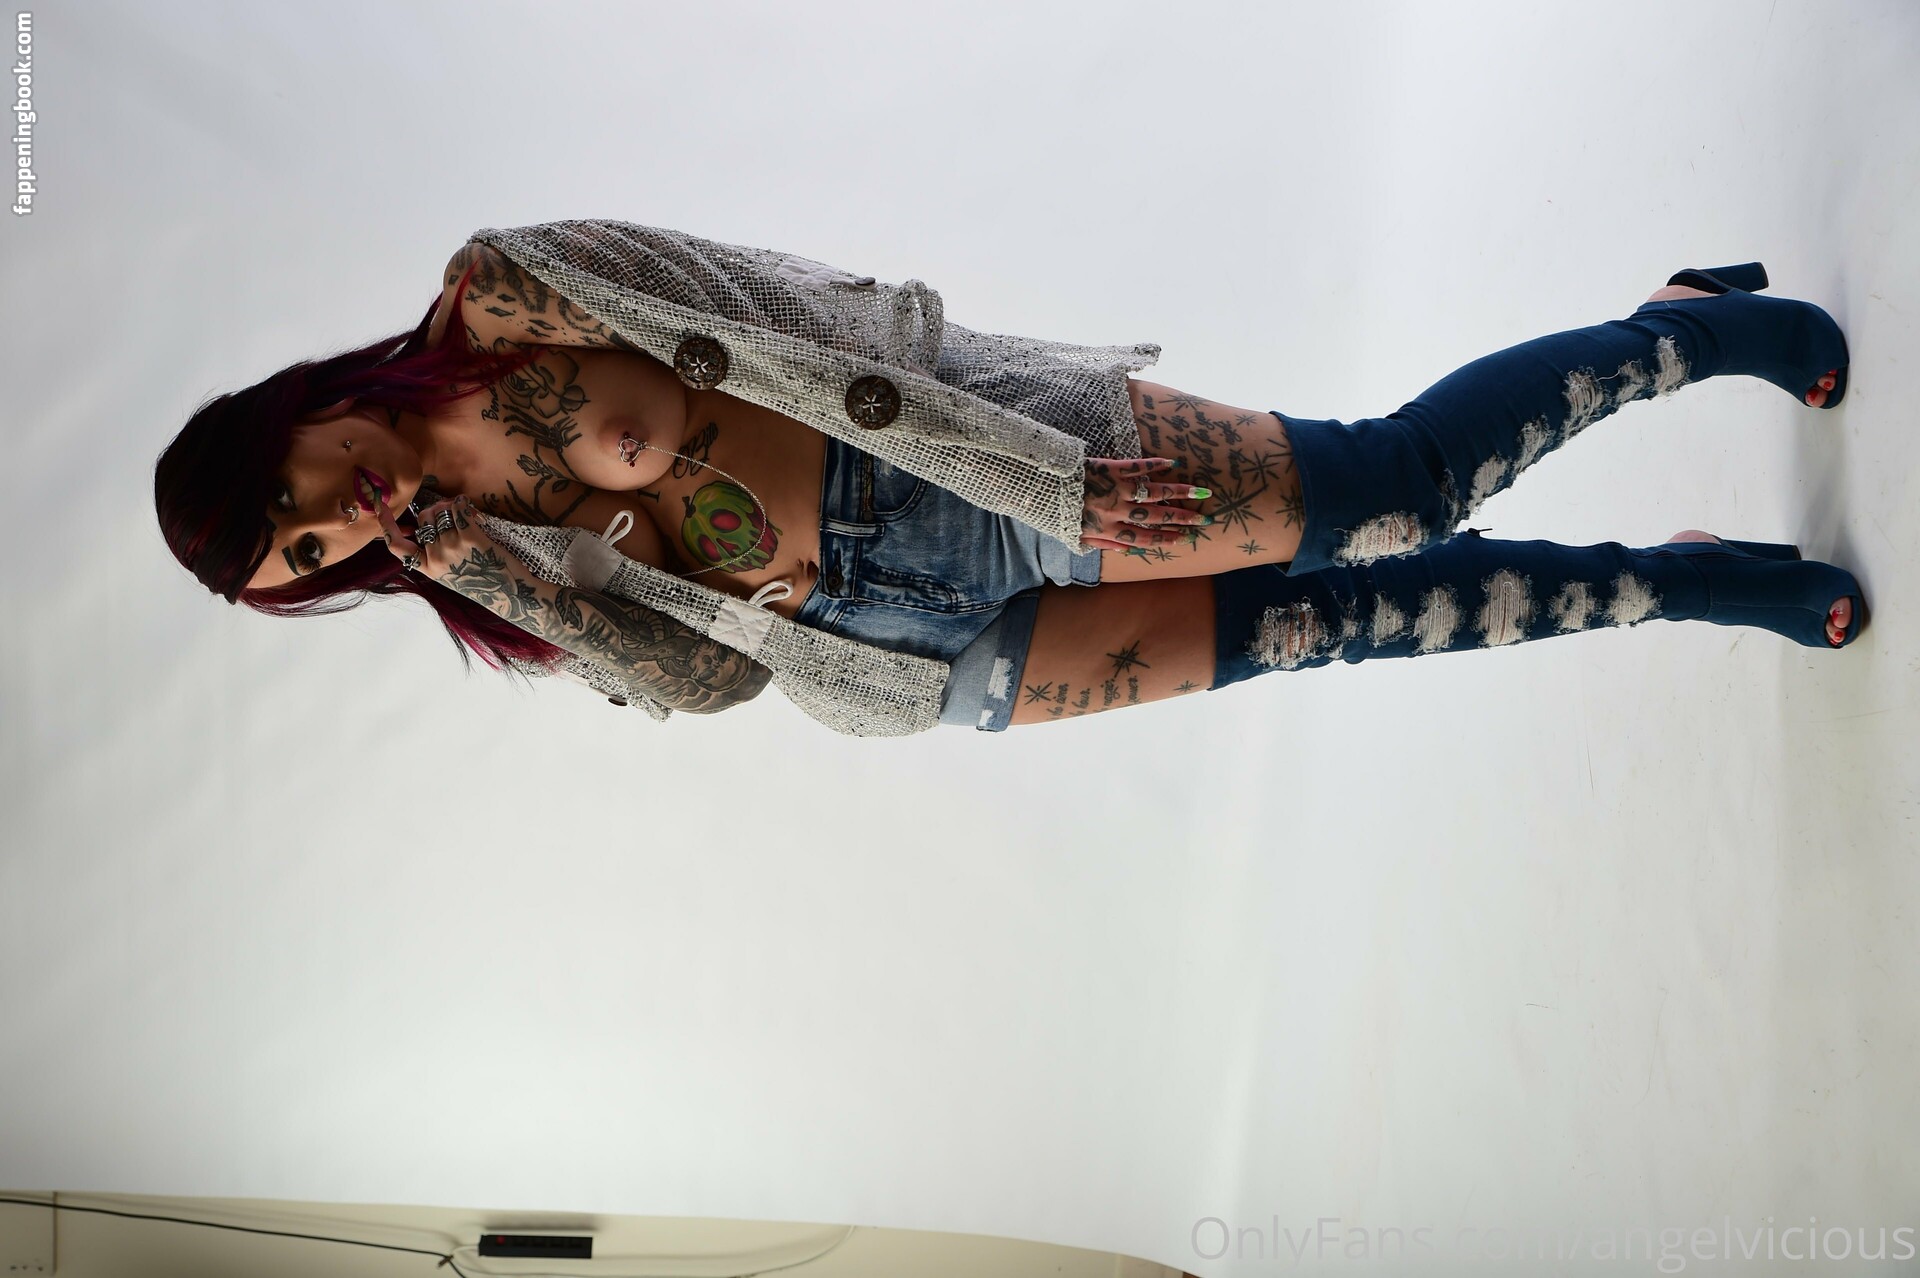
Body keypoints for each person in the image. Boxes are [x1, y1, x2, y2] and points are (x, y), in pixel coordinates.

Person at [154, 222, 1867, 736]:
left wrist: (1036, 466)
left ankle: (1675, 332)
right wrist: (499, 578)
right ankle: (1687, 578)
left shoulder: (504, 293)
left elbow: (797, 319)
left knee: (1396, 491)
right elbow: (712, 680)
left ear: (282, 421)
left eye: (285, 502)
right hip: (903, 646)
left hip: (978, 474)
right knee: (1334, 625)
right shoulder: (485, 572)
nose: (326, 525)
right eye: (304, 559)